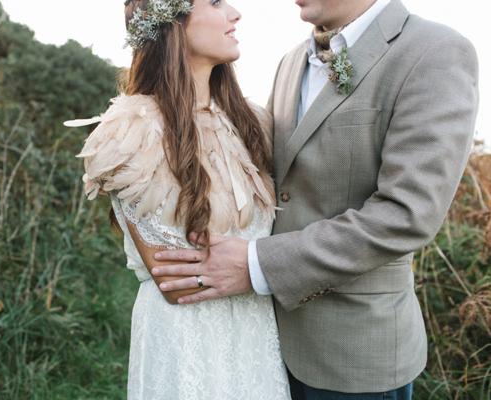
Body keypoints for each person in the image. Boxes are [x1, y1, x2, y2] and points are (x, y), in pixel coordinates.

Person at [151, 0, 480, 398]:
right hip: (260, 346)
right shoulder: (292, 62)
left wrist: (257, 264)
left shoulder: (434, 51)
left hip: (354, 354)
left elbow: (407, 214)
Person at [65, 0, 291, 398]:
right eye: (217, 2)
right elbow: (176, 282)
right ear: (172, 21)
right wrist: (261, 262)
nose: (235, 13)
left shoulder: (254, 124)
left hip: (258, 340)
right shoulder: (133, 130)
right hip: (187, 344)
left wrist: (257, 262)